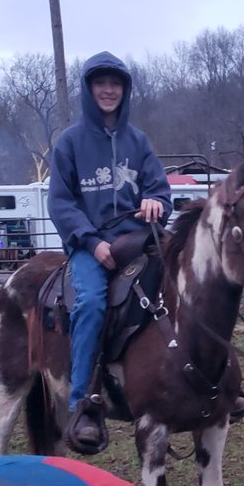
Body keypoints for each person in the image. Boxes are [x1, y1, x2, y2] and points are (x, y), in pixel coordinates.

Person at [48, 50, 172, 451]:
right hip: (92, 245)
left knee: (183, 282)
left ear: (125, 90)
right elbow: (61, 203)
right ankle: (84, 402)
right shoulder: (69, 143)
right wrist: (90, 241)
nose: (108, 90)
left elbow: (159, 189)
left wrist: (156, 202)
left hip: (139, 239)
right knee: (92, 304)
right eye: (100, 83)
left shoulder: (140, 142)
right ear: (88, 89)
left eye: (115, 83)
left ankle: (212, 380)